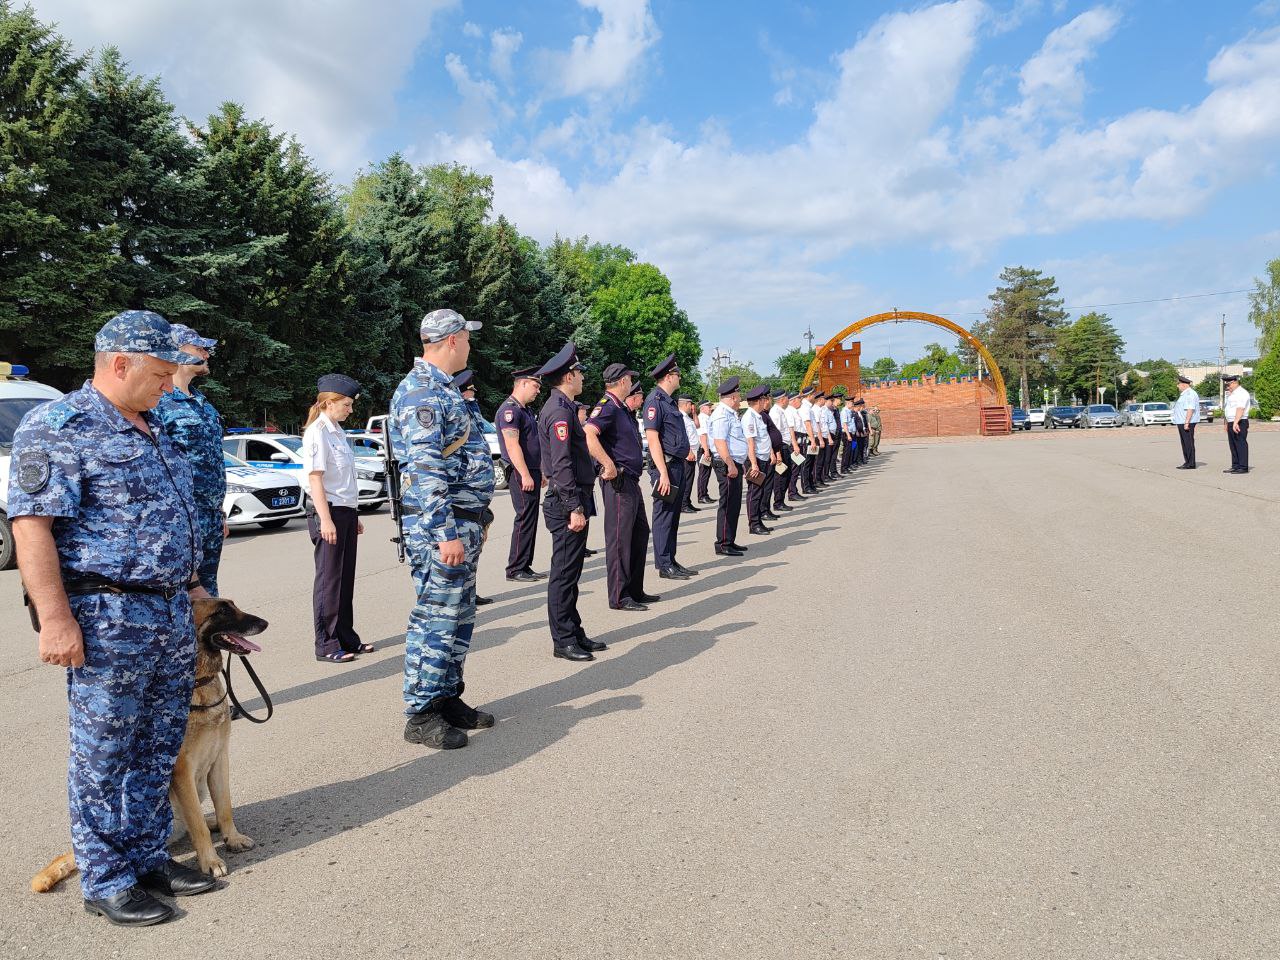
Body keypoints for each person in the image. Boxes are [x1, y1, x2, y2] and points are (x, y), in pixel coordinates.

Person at [10, 310, 216, 926]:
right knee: (105, 753)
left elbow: (176, 512)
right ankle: (105, 879)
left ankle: (148, 857)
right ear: (119, 364)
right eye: (158, 373)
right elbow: (31, 527)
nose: (166, 383)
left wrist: (197, 585)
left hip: (171, 610)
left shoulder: (152, 424)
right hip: (106, 616)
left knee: (156, 747)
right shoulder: (58, 426)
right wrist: (54, 618)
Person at [390, 308, 496, 751]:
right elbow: (425, 466)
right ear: (452, 340)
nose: (471, 344)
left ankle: (446, 696)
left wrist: (478, 517)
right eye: (467, 338)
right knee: (436, 617)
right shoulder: (420, 393)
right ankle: (420, 711)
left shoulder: (443, 389)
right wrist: (444, 531)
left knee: (459, 616)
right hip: (441, 526)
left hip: (462, 521)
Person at [536, 343, 603, 661]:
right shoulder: (560, 411)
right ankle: (562, 639)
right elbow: (561, 465)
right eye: (579, 373)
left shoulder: (562, 406)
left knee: (572, 572)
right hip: (566, 504)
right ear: (568, 376)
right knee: (563, 574)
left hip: (572, 499)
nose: (582, 378)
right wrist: (575, 506)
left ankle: (573, 631)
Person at [154, 323, 226, 595]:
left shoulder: (202, 402)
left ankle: (207, 639)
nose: (206, 354)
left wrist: (218, 514)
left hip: (209, 516)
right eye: (199, 348)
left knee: (209, 592)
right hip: (182, 517)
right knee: (183, 592)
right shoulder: (159, 401)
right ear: (177, 351)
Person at [301, 374, 369, 664]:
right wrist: (325, 519)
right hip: (326, 510)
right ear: (330, 403)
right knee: (329, 579)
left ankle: (345, 636)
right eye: (347, 404)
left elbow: (344, 479)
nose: (350, 410)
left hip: (344, 510)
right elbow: (315, 478)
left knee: (345, 578)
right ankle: (326, 643)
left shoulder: (337, 431)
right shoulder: (317, 431)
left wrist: (353, 514)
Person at [585, 364, 655, 611]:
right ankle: (619, 596)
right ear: (623, 381)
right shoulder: (607, 406)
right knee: (619, 539)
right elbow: (589, 434)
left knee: (639, 533)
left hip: (632, 481)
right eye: (629, 379)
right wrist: (607, 464)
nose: (631, 383)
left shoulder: (620, 408)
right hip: (619, 482)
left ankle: (634, 589)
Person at [643, 353, 699, 581]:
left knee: (673, 516)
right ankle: (664, 564)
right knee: (664, 516)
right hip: (664, 467)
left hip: (676, 465)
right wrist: (663, 474)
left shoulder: (668, 402)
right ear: (668, 377)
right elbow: (653, 438)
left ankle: (671, 560)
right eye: (677, 374)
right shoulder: (654, 401)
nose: (680, 377)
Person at [495, 367, 545, 581]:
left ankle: (524, 564)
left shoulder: (523, 410)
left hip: (531, 470)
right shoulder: (510, 410)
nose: (538, 391)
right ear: (523, 383)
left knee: (530, 519)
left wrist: (539, 471)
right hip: (519, 471)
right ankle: (515, 568)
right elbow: (512, 445)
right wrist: (525, 474)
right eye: (535, 385)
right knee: (524, 518)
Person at [451, 370, 494, 606]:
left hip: (477, 499)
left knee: (473, 552)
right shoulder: (455, 415)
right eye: (469, 390)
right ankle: (464, 596)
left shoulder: (471, 411)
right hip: (462, 499)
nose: (473, 394)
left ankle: (470, 592)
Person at [708, 377, 749, 556]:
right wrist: (731, 464)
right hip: (726, 464)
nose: (740, 400)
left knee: (734, 504)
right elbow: (719, 442)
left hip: (734, 463)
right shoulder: (721, 415)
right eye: (739, 397)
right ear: (732, 397)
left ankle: (729, 540)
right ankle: (723, 543)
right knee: (727, 504)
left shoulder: (730, 413)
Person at [741, 385, 775, 536]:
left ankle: (758, 520)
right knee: (754, 493)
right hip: (756, 460)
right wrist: (753, 464)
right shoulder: (749, 416)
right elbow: (750, 442)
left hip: (763, 458)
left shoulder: (758, 416)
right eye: (764, 399)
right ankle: (753, 524)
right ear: (759, 401)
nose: (766, 401)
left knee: (760, 492)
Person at [764, 389, 792, 514]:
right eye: (787, 397)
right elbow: (773, 435)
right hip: (780, 448)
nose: (788, 400)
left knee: (786, 475)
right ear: (781, 399)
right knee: (781, 476)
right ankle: (778, 502)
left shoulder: (781, 411)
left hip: (785, 446)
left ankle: (780, 501)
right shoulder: (775, 413)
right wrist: (777, 453)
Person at [1223, 372, 1251, 474]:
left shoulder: (1242, 393)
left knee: (1240, 444)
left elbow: (1240, 409)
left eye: (1228, 384)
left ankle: (1243, 467)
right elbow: (1228, 410)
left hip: (1240, 421)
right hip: (1232, 421)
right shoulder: (1232, 394)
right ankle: (1235, 465)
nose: (1227, 386)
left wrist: (1235, 423)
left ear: (1235, 382)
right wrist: (1227, 423)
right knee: (1233, 445)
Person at [677, 395, 701, 513]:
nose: (692, 407)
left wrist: (694, 413)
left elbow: (697, 426)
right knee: (686, 479)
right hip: (688, 454)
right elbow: (683, 436)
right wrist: (688, 452)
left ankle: (687, 501)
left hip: (692, 452)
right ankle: (683, 503)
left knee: (690, 479)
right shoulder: (680, 417)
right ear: (686, 404)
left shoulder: (687, 417)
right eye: (691, 404)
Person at [1172, 374, 1200, 470]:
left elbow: (1190, 409)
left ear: (1184, 384)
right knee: (1185, 442)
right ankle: (1187, 461)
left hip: (1187, 422)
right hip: (1182, 421)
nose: (1177, 386)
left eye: (1178, 384)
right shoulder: (1185, 394)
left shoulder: (1189, 394)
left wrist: (1187, 422)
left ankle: (1190, 463)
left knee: (1188, 442)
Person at [784, 393, 808, 501]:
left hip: (800, 439)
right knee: (794, 468)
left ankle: (793, 491)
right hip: (795, 441)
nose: (801, 401)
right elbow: (791, 429)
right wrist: (795, 445)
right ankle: (792, 492)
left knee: (797, 466)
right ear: (793, 400)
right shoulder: (789, 411)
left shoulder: (795, 411)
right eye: (799, 399)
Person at [695, 400, 715, 504]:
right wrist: (706, 451)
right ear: (702, 408)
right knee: (704, 473)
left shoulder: (707, 418)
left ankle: (705, 494)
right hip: (704, 449)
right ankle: (701, 495)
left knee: (706, 473)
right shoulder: (702, 418)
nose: (710, 408)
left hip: (707, 449)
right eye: (708, 406)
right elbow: (703, 435)